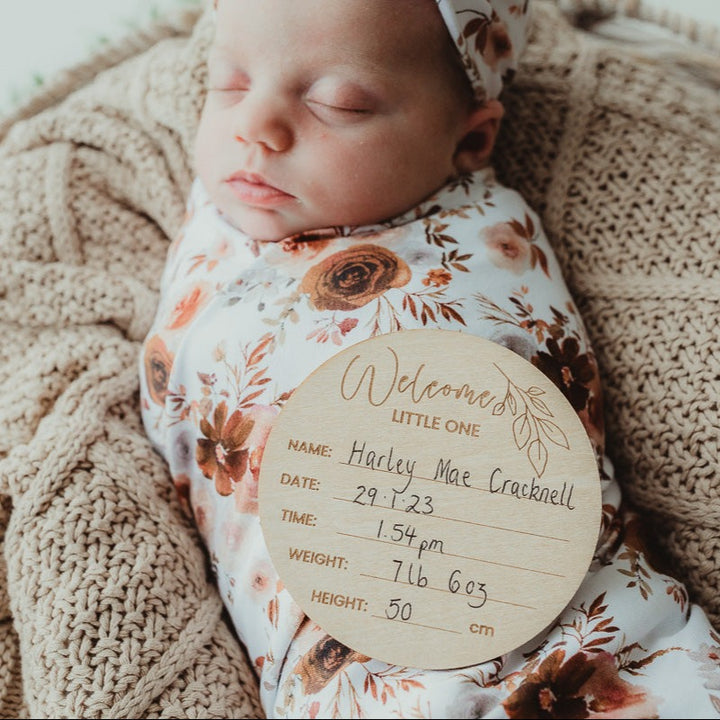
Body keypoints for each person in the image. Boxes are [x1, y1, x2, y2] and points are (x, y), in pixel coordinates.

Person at [139, 1, 720, 717]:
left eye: (337, 103)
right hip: (328, 659)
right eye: (227, 82)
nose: (254, 126)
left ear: (469, 141)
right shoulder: (219, 204)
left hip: (557, 645)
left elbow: (544, 428)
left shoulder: (480, 244)